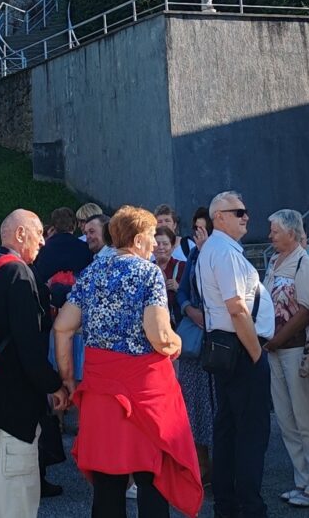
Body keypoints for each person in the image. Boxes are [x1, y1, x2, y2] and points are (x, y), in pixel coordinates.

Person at [54, 205, 202, 518]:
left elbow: (63, 326)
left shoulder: (93, 272)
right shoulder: (149, 273)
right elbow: (159, 334)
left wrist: (68, 378)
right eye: (150, 237)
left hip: (100, 387)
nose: (154, 244)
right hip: (144, 388)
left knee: (108, 481)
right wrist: (176, 342)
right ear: (136, 241)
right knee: (150, 477)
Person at [0, 210, 67, 518]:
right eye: (38, 233)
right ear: (20, 235)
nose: (44, 241)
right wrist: (54, 385)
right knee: (15, 499)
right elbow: (29, 346)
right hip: (10, 406)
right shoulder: (19, 273)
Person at [199, 190, 275, 518]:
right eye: (239, 212)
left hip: (226, 348)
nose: (246, 217)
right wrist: (257, 353)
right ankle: (249, 507)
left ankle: (228, 505)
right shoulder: (225, 252)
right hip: (242, 350)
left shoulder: (214, 249)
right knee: (250, 433)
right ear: (220, 217)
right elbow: (237, 309)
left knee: (229, 429)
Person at [265, 208, 309, 508]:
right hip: (275, 350)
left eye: (275, 231)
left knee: (306, 418)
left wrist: (277, 338)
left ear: (292, 233)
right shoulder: (274, 261)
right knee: (286, 418)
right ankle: (302, 480)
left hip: (293, 349)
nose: (270, 236)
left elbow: (306, 310)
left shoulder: (304, 263)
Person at [175, 207, 216, 483]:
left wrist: (205, 252)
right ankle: (202, 465)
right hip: (194, 343)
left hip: (218, 342)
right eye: (195, 229)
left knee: (216, 405)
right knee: (195, 405)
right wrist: (190, 309)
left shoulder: (217, 256)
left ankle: (221, 464)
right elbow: (182, 292)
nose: (198, 235)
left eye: (204, 229)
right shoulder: (193, 254)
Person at [154, 227, 186, 320]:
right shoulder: (147, 268)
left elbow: (193, 296)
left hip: (178, 323)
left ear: (172, 247)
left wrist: (178, 288)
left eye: (165, 244)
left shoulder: (182, 267)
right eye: (157, 244)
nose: (161, 247)